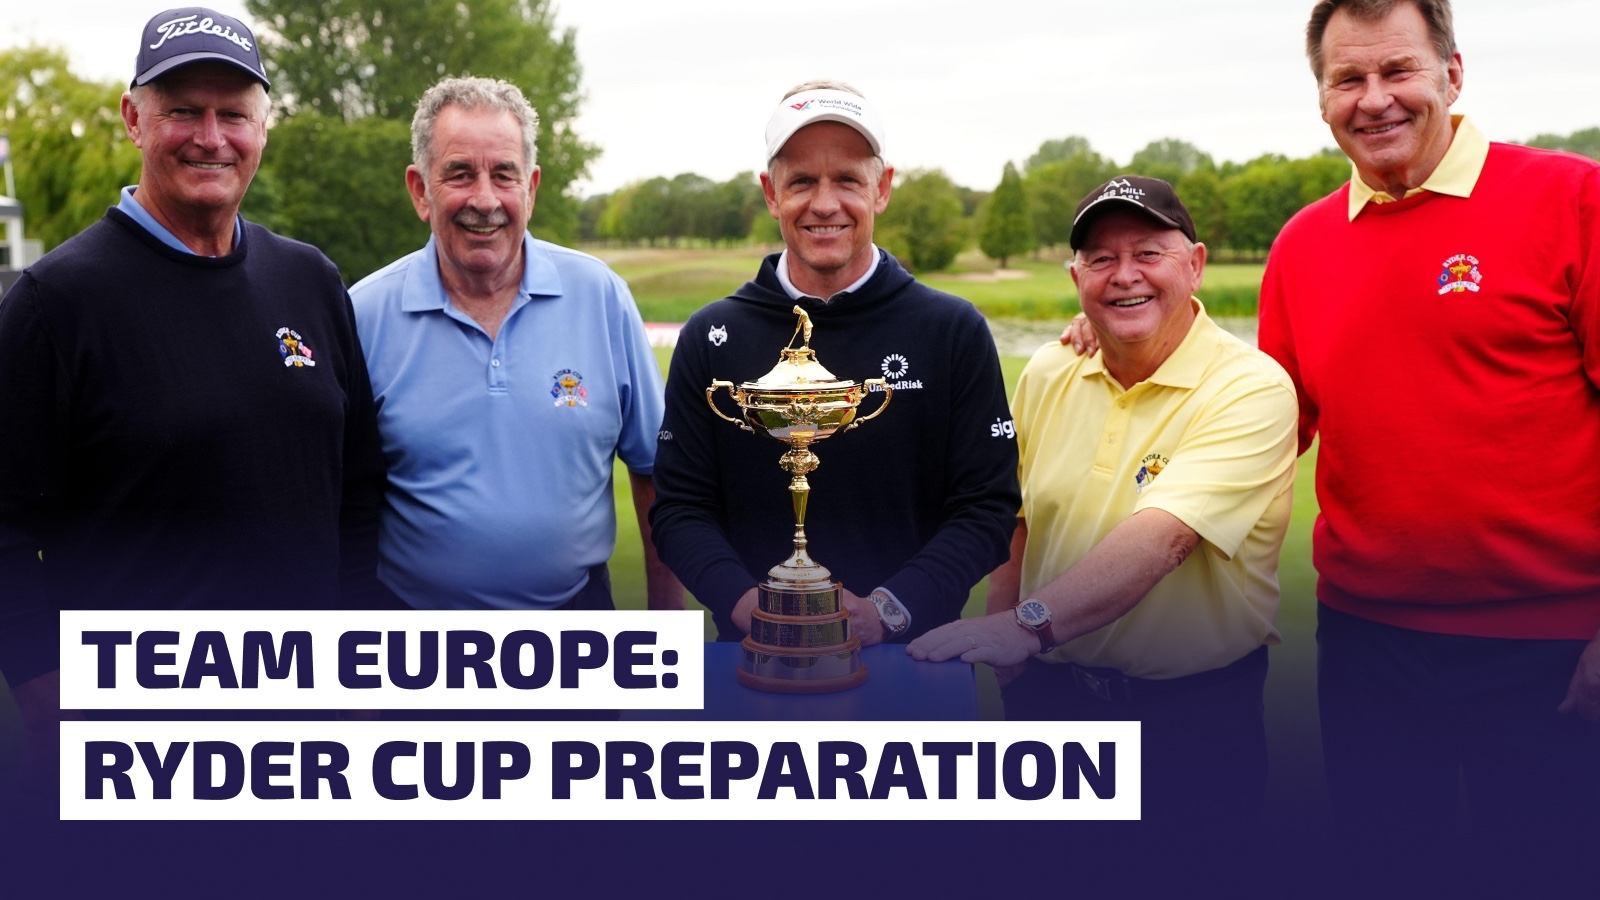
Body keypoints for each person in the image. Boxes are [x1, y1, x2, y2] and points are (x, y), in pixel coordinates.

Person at [0, 7, 389, 788]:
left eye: (233, 114)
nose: (211, 138)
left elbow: (356, 489)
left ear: (262, 128)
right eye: (183, 110)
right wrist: (49, 692)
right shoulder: (56, 302)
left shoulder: (310, 280)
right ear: (133, 119)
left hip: (307, 730)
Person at [1259, 0, 1600, 849]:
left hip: (1555, 645)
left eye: (1398, 69)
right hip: (1365, 645)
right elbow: (1263, 432)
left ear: (1452, 74)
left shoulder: (1573, 198)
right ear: (1322, 97)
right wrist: (1126, 334)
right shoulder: (1301, 245)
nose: (1374, 98)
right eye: (1348, 78)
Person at [911, 176, 1298, 824]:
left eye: (1147, 253)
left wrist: (1019, 627)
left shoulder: (1251, 388)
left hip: (1190, 718)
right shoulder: (1050, 369)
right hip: (1048, 699)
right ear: (1076, 278)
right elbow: (1018, 515)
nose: (1124, 275)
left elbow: (1163, 538)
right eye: (1101, 259)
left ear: (1195, 265)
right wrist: (1011, 640)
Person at [649, 81, 1019, 646]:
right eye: (802, 181)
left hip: (915, 657)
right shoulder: (710, 336)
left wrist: (888, 610)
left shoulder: (951, 329)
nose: (825, 204)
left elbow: (987, 507)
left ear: (882, 188)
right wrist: (752, 607)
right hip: (754, 655)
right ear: (771, 193)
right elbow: (680, 508)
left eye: (847, 179)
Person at [350, 76, 680, 615]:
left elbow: (654, 470)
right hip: (411, 636)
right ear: (420, 190)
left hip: (575, 625)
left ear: (531, 188)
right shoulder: (363, 314)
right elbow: (339, 502)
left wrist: (666, 619)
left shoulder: (600, 296)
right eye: (460, 173)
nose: (485, 200)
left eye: (504, 174)